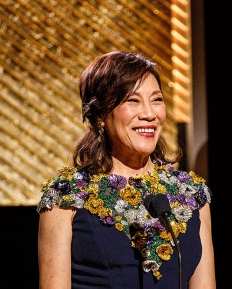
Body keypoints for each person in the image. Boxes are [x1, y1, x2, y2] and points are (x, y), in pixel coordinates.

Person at [36, 50, 216, 289]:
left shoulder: (191, 194)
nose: (150, 114)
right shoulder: (66, 197)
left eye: (157, 99)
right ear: (100, 114)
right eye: (133, 100)